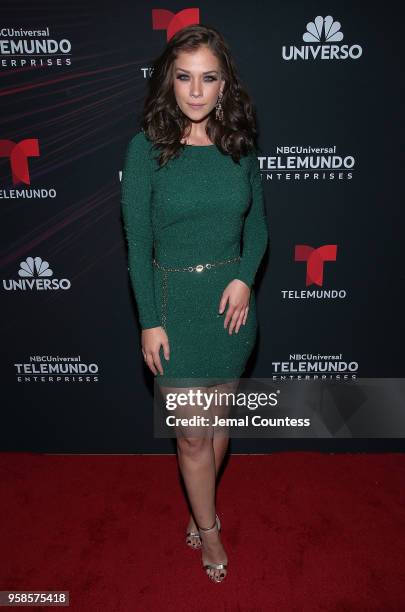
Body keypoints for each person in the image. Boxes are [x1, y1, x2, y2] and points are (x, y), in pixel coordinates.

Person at [121, 24, 269, 583]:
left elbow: (257, 226)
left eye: (208, 78)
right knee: (190, 433)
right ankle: (209, 530)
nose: (196, 90)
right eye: (184, 77)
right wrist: (149, 322)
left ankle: (198, 505)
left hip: (229, 308)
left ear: (225, 84)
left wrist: (246, 280)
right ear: (169, 81)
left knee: (218, 421)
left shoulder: (240, 146)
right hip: (172, 306)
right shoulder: (146, 149)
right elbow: (136, 243)